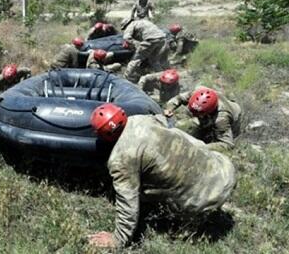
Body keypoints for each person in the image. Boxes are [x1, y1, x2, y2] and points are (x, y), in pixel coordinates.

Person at [87, 103, 236, 248]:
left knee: (139, 190)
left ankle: (195, 219)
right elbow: (164, 119)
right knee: (177, 136)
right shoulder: (142, 119)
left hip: (206, 200)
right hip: (226, 173)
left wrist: (118, 239)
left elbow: (128, 201)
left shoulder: (121, 158)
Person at [164, 87, 242, 152]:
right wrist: (169, 108)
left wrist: (201, 148)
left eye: (197, 114)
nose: (193, 115)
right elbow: (179, 98)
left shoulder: (221, 118)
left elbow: (227, 144)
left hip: (234, 117)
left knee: (217, 138)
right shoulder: (196, 93)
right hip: (210, 113)